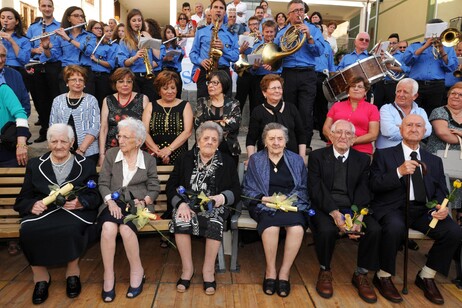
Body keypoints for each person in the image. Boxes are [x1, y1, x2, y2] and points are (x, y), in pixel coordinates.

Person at [370, 114, 462, 305]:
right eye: (409, 125)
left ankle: (426, 276)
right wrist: (398, 172)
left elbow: (441, 191)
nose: (413, 128)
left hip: (423, 210)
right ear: (401, 129)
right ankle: (383, 276)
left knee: (453, 231)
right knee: (395, 227)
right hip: (392, 208)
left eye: (418, 125)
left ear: (425, 131)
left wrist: (440, 207)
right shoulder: (384, 154)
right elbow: (374, 185)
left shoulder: (433, 160)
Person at [14, 123, 101, 305]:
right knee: (29, 230)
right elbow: (22, 199)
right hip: (44, 211)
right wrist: (32, 205)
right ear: (48, 143)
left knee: (71, 228)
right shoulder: (35, 164)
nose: (59, 146)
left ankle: (72, 272)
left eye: (63, 141)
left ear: (72, 142)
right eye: (54, 141)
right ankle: (40, 277)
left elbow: (94, 196)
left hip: (73, 211)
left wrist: (80, 202)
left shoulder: (86, 165)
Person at [309, 120, 381, 303]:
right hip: (326, 206)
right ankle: (325, 270)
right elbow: (316, 189)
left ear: (354, 138)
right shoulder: (317, 156)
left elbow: (364, 189)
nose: (342, 136)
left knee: (373, 229)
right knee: (326, 230)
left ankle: (361, 274)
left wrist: (358, 216)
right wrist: (334, 213)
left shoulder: (363, 159)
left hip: (353, 207)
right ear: (330, 135)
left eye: (348, 134)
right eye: (338, 132)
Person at [166, 121, 240, 295]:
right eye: (205, 138)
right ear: (198, 141)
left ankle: (208, 271)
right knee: (180, 218)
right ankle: (187, 269)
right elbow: (171, 186)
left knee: (215, 221)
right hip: (187, 205)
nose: (209, 142)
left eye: (214, 139)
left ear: (218, 143)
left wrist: (221, 198)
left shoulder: (227, 162)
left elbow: (236, 190)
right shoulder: (185, 159)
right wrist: (181, 204)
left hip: (215, 205)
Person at [243, 122, 310, 297]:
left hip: (292, 204)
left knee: (296, 228)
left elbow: (303, 187)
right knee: (271, 228)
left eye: (280, 139)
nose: (276, 142)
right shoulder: (256, 160)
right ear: (264, 141)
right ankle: (270, 271)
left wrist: (289, 200)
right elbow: (247, 188)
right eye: (271, 138)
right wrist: (266, 198)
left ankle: (284, 273)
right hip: (265, 205)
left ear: (286, 142)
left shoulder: (296, 160)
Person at [98, 117, 160, 302]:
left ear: (139, 141)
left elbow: (154, 187)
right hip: (113, 203)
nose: (120, 140)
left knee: (125, 229)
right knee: (108, 228)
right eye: (119, 135)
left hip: (137, 205)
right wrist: (110, 202)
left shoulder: (148, 159)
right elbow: (102, 183)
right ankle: (108, 275)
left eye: (126, 137)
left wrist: (145, 200)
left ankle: (137, 270)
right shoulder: (111, 154)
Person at [276, 0, 324, 152]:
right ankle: (289, 143)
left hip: (307, 74)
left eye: (301, 10)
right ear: (289, 15)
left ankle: (305, 145)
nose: (298, 13)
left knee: (305, 111)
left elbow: (319, 52)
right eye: (295, 10)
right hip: (288, 73)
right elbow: (276, 52)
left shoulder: (314, 30)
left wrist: (309, 37)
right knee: (289, 109)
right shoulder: (282, 33)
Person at [403, 19, 458, 116]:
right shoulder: (415, 46)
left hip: (436, 86)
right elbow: (407, 60)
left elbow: (452, 68)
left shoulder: (448, 48)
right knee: (412, 113)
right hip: (416, 85)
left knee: (433, 114)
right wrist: (424, 46)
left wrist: (441, 50)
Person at [426, 82, 462, 224]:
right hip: (439, 158)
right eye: (453, 93)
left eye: (460, 95)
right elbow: (443, 133)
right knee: (441, 186)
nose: (456, 96)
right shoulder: (439, 111)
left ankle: (458, 217)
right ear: (448, 95)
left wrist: (459, 132)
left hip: (458, 161)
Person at [246, 74, 306, 159]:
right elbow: (251, 139)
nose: (277, 91)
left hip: (291, 158)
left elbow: (301, 135)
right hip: (265, 159)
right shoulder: (258, 111)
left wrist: (302, 158)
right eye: (273, 88)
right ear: (264, 92)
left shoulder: (291, 108)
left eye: (279, 88)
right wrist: (251, 160)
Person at [40, 6, 97, 95]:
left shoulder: (89, 36)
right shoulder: (59, 36)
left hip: (84, 71)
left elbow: (88, 51)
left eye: (82, 16)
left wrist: (68, 39)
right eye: (76, 16)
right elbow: (53, 57)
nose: (80, 18)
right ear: (68, 18)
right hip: (67, 71)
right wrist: (46, 47)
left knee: (86, 102)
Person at [49, 65, 100, 164]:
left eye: (81, 80)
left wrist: (81, 150)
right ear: (67, 82)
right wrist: (60, 148)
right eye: (73, 80)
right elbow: (52, 126)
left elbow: (95, 127)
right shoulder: (57, 100)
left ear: (85, 83)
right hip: (62, 151)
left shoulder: (91, 100)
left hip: (88, 151)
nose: (77, 83)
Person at [26, 0, 61, 142]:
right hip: (37, 65)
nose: (47, 8)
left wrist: (48, 49)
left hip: (54, 65)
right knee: (40, 100)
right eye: (44, 6)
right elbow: (26, 47)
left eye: (49, 6)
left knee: (55, 99)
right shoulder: (33, 28)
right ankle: (45, 130)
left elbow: (62, 50)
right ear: (39, 8)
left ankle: (57, 131)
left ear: (53, 8)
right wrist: (35, 49)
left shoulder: (59, 27)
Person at [99, 68, 149, 166]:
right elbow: (104, 128)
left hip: (136, 148)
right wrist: (102, 154)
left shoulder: (143, 99)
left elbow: (146, 129)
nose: (125, 84)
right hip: (113, 149)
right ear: (115, 84)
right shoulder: (108, 100)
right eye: (121, 81)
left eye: (129, 82)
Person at [190, 0, 239, 100]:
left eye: (221, 8)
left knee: (225, 106)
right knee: (203, 105)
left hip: (224, 73)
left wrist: (223, 48)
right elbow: (193, 53)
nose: (218, 10)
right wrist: (201, 61)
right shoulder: (201, 31)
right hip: (205, 72)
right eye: (215, 7)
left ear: (224, 12)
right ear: (210, 11)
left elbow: (235, 57)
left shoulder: (232, 33)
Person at [143, 70, 193, 165]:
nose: (170, 91)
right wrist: (159, 153)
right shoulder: (150, 106)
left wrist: (169, 150)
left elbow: (188, 132)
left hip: (179, 155)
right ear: (159, 90)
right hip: (154, 154)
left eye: (173, 88)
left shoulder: (185, 105)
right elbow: (144, 132)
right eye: (165, 88)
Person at [323, 76, 380, 156]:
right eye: (353, 86)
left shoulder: (372, 109)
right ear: (348, 90)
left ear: (365, 91)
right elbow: (326, 128)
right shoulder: (337, 105)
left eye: (360, 87)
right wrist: (335, 140)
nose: (356, 89)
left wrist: (351, 141)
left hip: (361, 151)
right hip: (334, 148)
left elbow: (373, 135)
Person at [194, 71, 241, 165]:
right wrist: (223, 122)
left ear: (223, 84)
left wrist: (209, 123)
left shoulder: (233, 103)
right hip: (205, 146)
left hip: (228, 148)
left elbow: (233, 125)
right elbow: (198, 125)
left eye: (215, 83)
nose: (210, 85)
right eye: (209, 82)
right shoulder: (201, 102)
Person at [117, 9, 160, 103]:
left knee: (150, 103)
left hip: (149, 76)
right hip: (133, 77)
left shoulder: (147, 36)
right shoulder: (124, 40)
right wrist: (135, 57)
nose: (137, 23)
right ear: (129, 23)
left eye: (139, 20)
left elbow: (158, 56)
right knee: (135, 104)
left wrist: (149, 38)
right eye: (134, 20)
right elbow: (123, 62)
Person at [377, 78, 431, 149]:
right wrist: (415, 131)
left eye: (405, 92)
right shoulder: (386, 109)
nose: (400, 95)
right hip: (387, 153)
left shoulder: (420, 111)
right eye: (398, 91)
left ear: (415, 96)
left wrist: (400, 127)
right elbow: (388, 132)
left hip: (411, 154)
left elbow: (427, 131)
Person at [0, 7, 31, 87]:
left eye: (9, 18)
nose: (5, 20)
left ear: (16, 21)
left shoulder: (24, 40)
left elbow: (25, 60)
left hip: (16, 71)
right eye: (2, 18)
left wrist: (12, 41)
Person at [88, 20, 116, 107]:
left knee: (102, 101)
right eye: (97, 28)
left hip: (102, 77)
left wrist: (96, 60)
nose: (99, 30)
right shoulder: (88, 44)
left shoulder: (108, 47)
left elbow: (111, 64)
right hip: (90, 75)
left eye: (101, 29)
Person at [0, 42, 30, 118]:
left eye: (3, 56)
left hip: (14, 123)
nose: (0, 60)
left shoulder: (15, 75)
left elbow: (25, 102)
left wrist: (20, 121)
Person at [160, 25, 185, 98]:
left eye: (172, 33)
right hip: (165, 72)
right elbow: (160, 59)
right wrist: (166, 58)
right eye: (168, 32)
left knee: (177, 94)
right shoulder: (162, 46)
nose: (171, 34)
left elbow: (179, 59)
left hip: (176, 72)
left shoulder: (177, 47)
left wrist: (180, 50)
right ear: (164, 34)